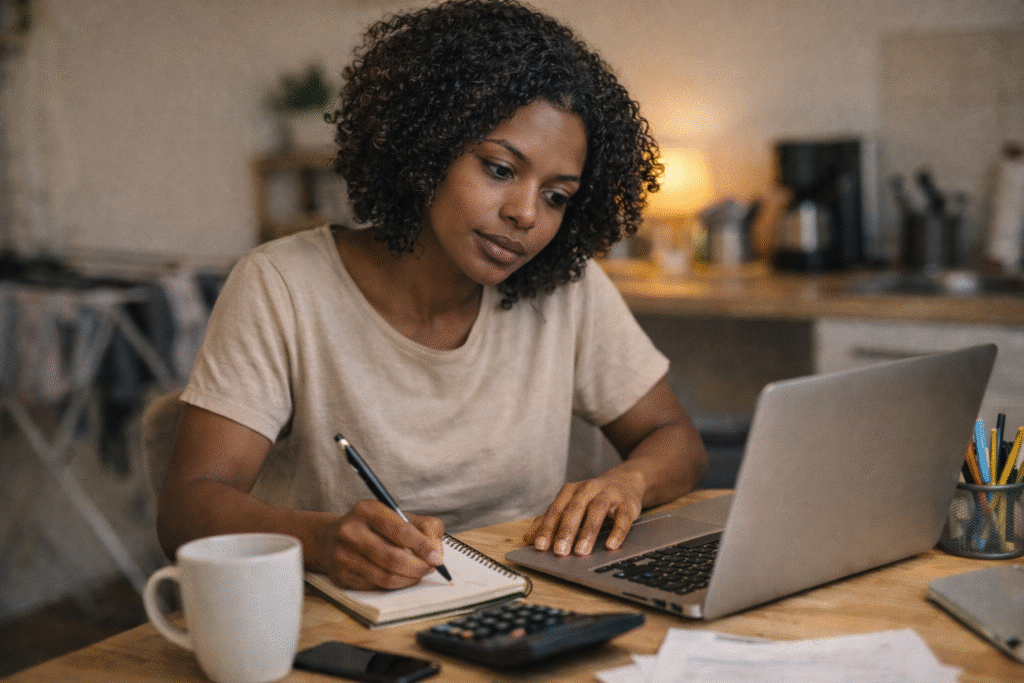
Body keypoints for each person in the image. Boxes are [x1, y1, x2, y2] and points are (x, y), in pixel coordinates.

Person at [157, 0, 707, 592]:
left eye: (557, 196)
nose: (524, 213)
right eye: (499, 168)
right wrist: (320, 539)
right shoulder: (283, 287)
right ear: (425, 147)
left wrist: (630, 482)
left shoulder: (565, 290)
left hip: (525, 611)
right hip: (346, 622)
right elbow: (188, 510)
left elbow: (677, 442)